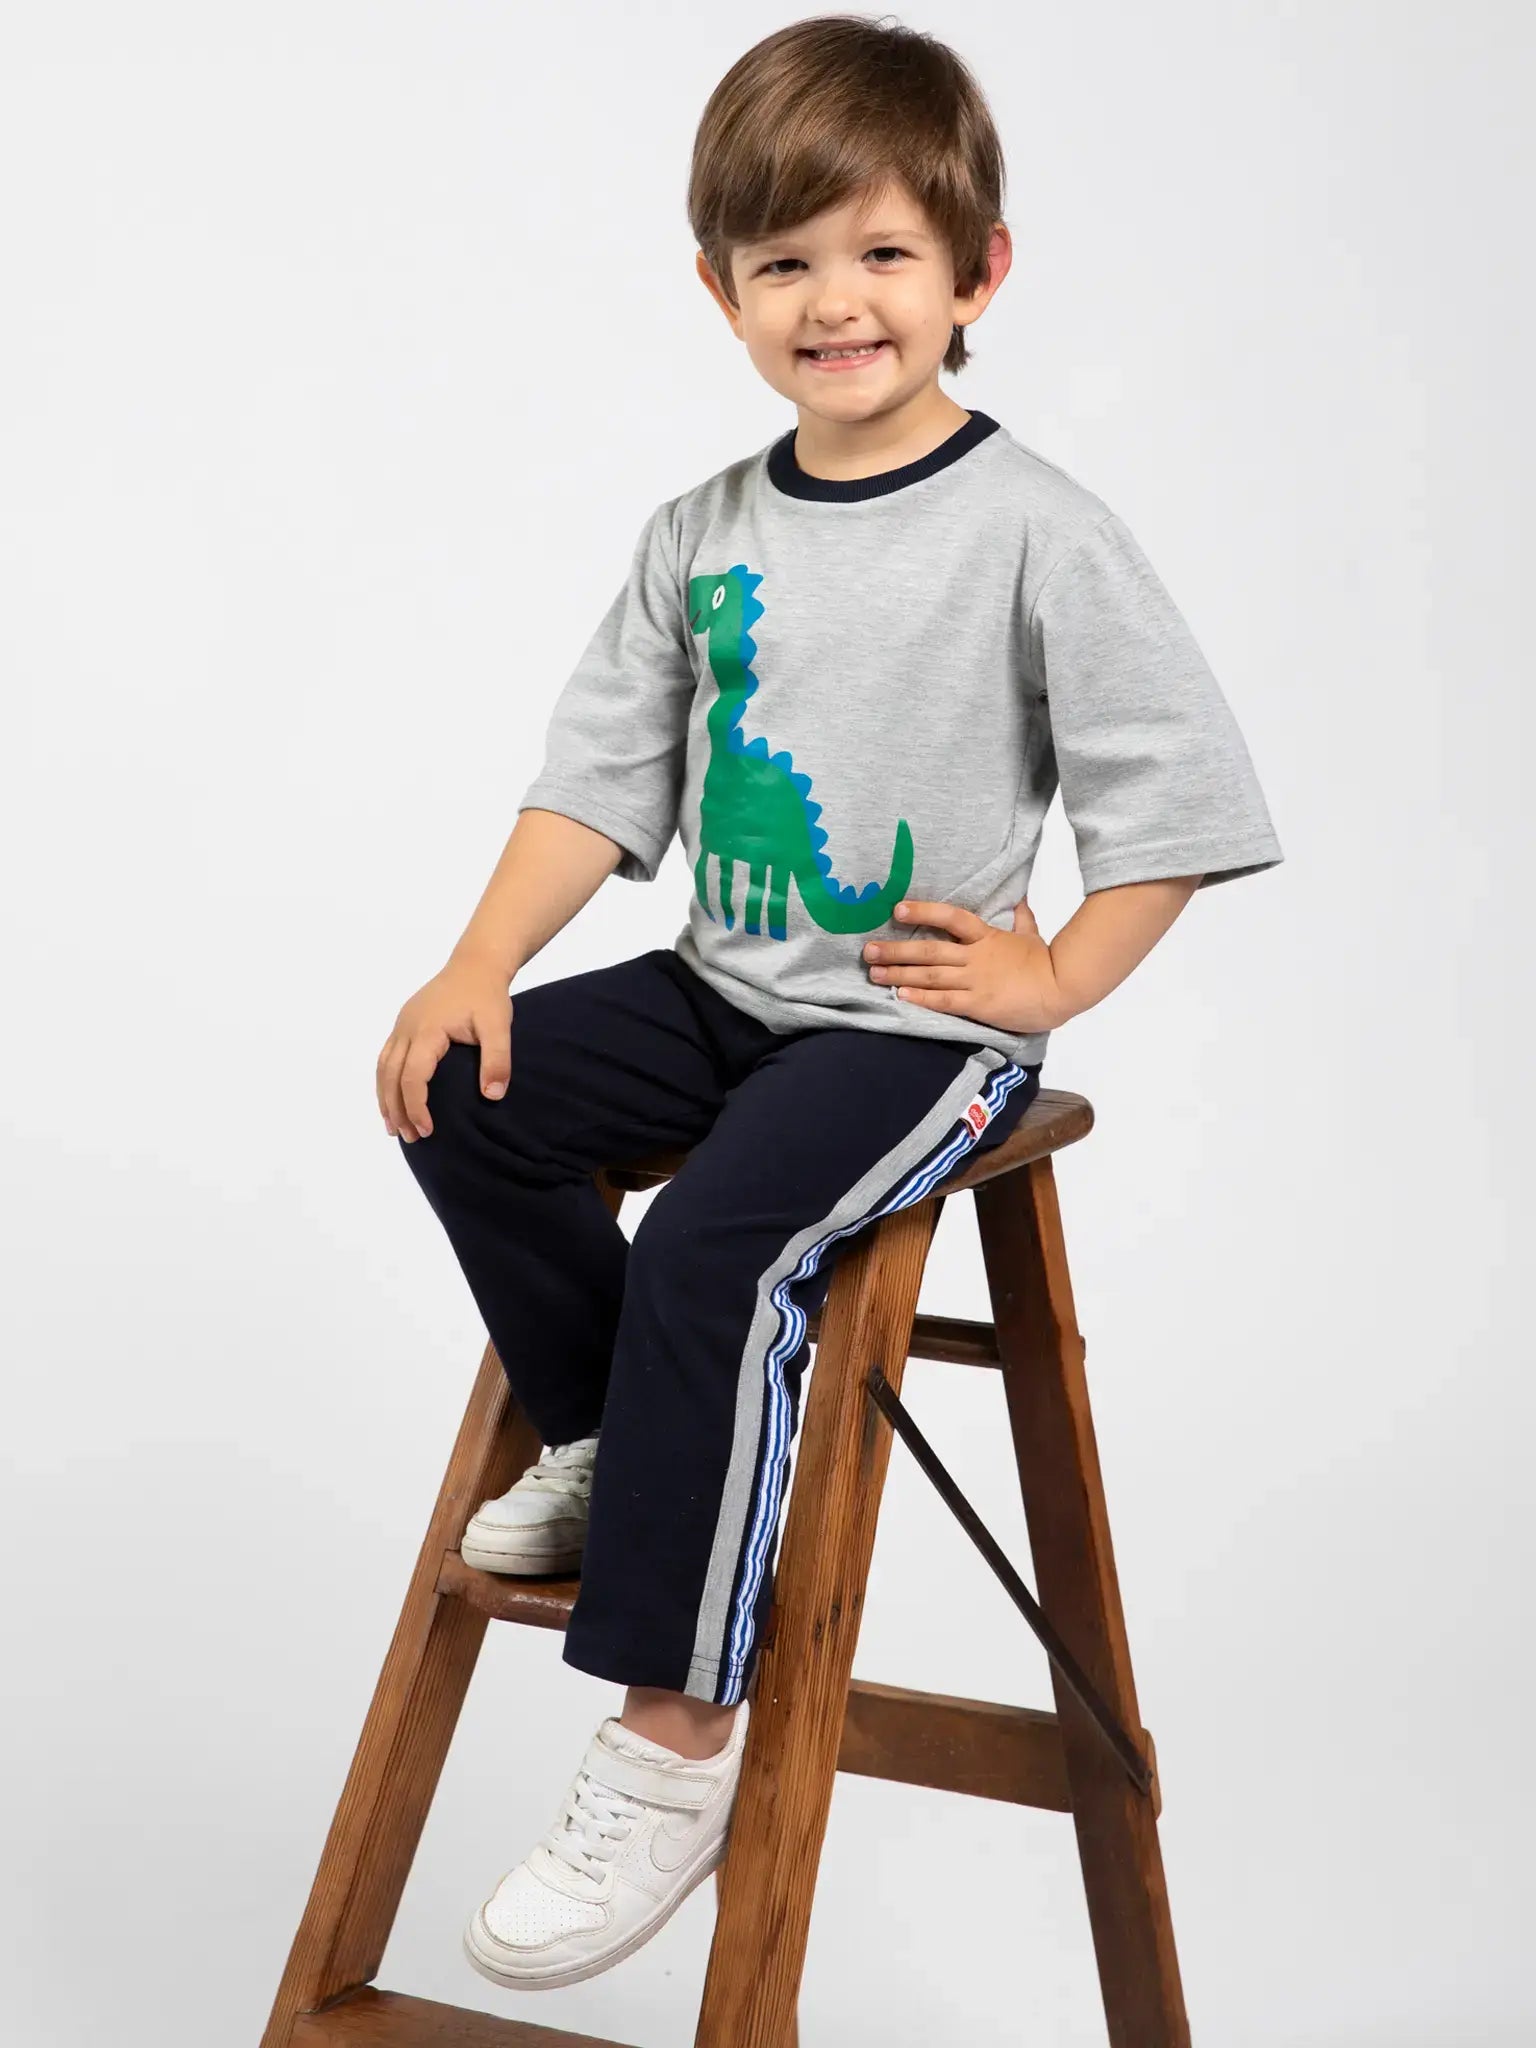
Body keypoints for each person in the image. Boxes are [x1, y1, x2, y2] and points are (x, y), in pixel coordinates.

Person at [375, 15, 1284, 1997]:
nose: (835, 301)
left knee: (721, 1238)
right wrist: (478, 964)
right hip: (724, 987)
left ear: (978, 273)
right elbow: (595, 783)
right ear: (721, 295)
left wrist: (1049, 974)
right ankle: (628, 1434)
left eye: (880, 254)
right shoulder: (702, 532)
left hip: (913, 1031)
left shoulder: (1037, 524)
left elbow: (1180, 797)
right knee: (464, 1095)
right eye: (783, 264)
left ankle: (671, 1738)